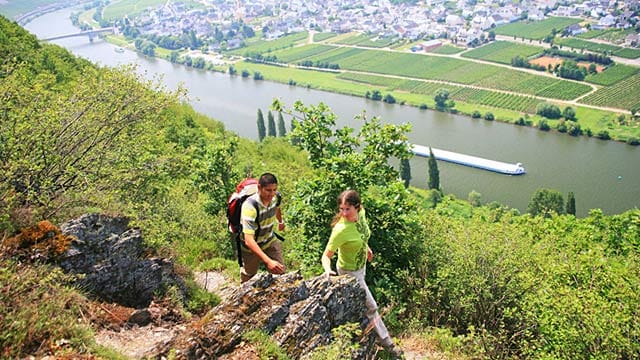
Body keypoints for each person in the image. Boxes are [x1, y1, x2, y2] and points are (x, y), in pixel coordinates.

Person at [321, 190, 403, 357]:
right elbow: (326, 255)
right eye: (341, 209)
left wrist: (366, 247)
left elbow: (361, 234)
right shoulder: (340, 229)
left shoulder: (362, 215)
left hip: (361, 268)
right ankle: (389, 345)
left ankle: (366, 336)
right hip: (349, 272)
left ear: (357, 207)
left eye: (348, 209)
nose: (344, 213)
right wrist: (328, 270)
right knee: (371, 306)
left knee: (361, 305)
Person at [240, 172, 286, 283]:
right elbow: (249, 240)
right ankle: (242, 296)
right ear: (259, 188)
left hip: (269, 240)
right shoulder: (250, 207)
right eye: (268, 190)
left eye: (274, 190)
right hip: (251, 247)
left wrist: (280, 221)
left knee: (280, 272)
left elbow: (276, 207)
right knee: (249, 278)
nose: (272, 194)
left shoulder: (275, 198)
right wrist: (268, 261)